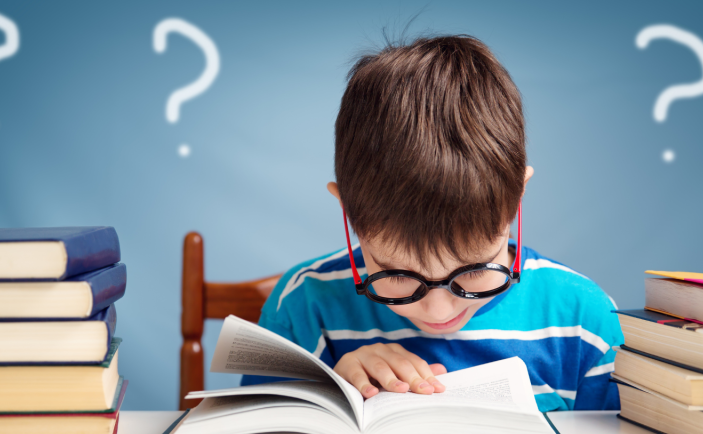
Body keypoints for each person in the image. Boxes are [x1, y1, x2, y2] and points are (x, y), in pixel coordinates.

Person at [242, 35, 623, 411]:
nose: (439, 311)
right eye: (397, 275)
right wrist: (330, 392)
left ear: (516, 199)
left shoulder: (584, 323)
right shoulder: (303, 306)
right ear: (348, 212)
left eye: (474, 271)